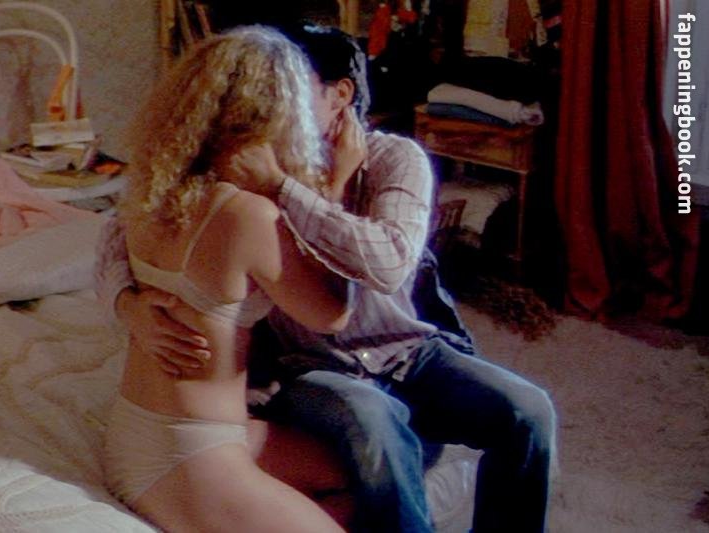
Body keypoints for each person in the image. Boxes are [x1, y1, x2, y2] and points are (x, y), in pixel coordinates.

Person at [97, 23, 558, 533]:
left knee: (529, 410)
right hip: (306, 367)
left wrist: (304, 189)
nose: (284, 109)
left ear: (339, 96)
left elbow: (389, 265)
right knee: (375, 424)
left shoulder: (391, 158)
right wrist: (126, 303)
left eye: (294, 92)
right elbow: (121, 229)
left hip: (402, 349)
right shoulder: (244, 183)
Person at [100, 26, 356, 532]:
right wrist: (336, 186)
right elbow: (332, 316)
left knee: (351, 475)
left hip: (145, 429)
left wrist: (126, 305)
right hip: (188, 452)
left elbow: (110, 258)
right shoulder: (248, 216)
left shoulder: (153, 194)